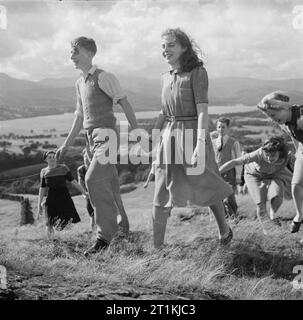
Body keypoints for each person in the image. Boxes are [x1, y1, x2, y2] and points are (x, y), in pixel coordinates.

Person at [150, 28, 233, 248]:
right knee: (160, 188)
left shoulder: (197, 72)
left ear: (184, 47)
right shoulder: (164, 78)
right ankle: (157, 248)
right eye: (163, 46)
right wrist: (153, 142)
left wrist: (200, 142)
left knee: (205, 182)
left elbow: (203, 110)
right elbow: (163, 112)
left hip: (193, 134)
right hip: (169, 137)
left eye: (171, 45)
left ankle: (224, 231)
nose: (165, 50)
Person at [56, 36, 138, 256]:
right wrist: (66, 145)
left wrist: (137, 130)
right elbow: (80, 117)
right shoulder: (79, 83)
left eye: (75, 51)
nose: (71, 56)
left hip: (108, 137)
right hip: (90, 140)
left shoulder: (104, 77)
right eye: (70, 52)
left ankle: (103, 237)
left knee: (93, 180)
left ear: (90, 53)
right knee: (110, 185)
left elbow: (124, 102)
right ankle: (123, 227)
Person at [219, 136, 294, 228]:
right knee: (261, 203)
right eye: (267, 155)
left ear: (280, 153)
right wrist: (217, 172)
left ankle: (273, 215)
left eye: (273, 156)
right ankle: (266, 229)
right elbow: (234, 162)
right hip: (253, 175)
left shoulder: (287, 156)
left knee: (278, 194)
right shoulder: (257, 154)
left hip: (273, 175)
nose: (270, 158)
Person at [257, 91, 303, 233]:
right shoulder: (285, 122)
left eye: (273, 115)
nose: (272, 119)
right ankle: (300, 214)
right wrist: (297, 156)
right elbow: (295, 138)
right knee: (296, 185)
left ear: (283, 108)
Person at [38, 150, 87, 238]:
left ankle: (67, 241)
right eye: (50, 157)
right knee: (49, 222)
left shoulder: (63, 168)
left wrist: (84, 192)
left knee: (66, 222)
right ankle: (51, 242)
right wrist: (39, 204)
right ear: (46, 160)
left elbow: (74, 182)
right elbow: (42, 188)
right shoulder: (43, 171)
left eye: (53, 157)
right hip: (51, 199)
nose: (52, 159)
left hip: (64, 198)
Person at [213, 117, 242, 221]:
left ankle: (235, 216)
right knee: (218, 199)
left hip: (230, 173)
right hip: (216, 174)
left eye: (223, 127)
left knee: (229, 198)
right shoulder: (213, 142)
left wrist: (238, 176)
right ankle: (224, 219)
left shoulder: (234, 142)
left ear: (228, 128)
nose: (221, 129)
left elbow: (239, 160)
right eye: (219, 127)